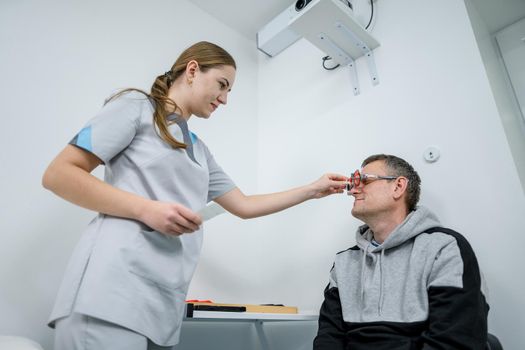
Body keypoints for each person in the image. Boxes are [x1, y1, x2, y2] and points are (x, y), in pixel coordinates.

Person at [42, 41, 348, 350]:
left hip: (162, 306)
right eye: (222, 85)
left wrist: (313, 189)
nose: (225, 99)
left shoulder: (200, 151)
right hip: (111, 293)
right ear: (192, 70)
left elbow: (244, 205)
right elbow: (60, 174)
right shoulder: (136, 107)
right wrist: (146, 209)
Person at [313, 154, 489, 350]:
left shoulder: (444, 248)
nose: (353, 190)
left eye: (364, 180)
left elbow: (455, 340)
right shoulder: (345, 262)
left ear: (398, 187)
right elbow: (329, 337)